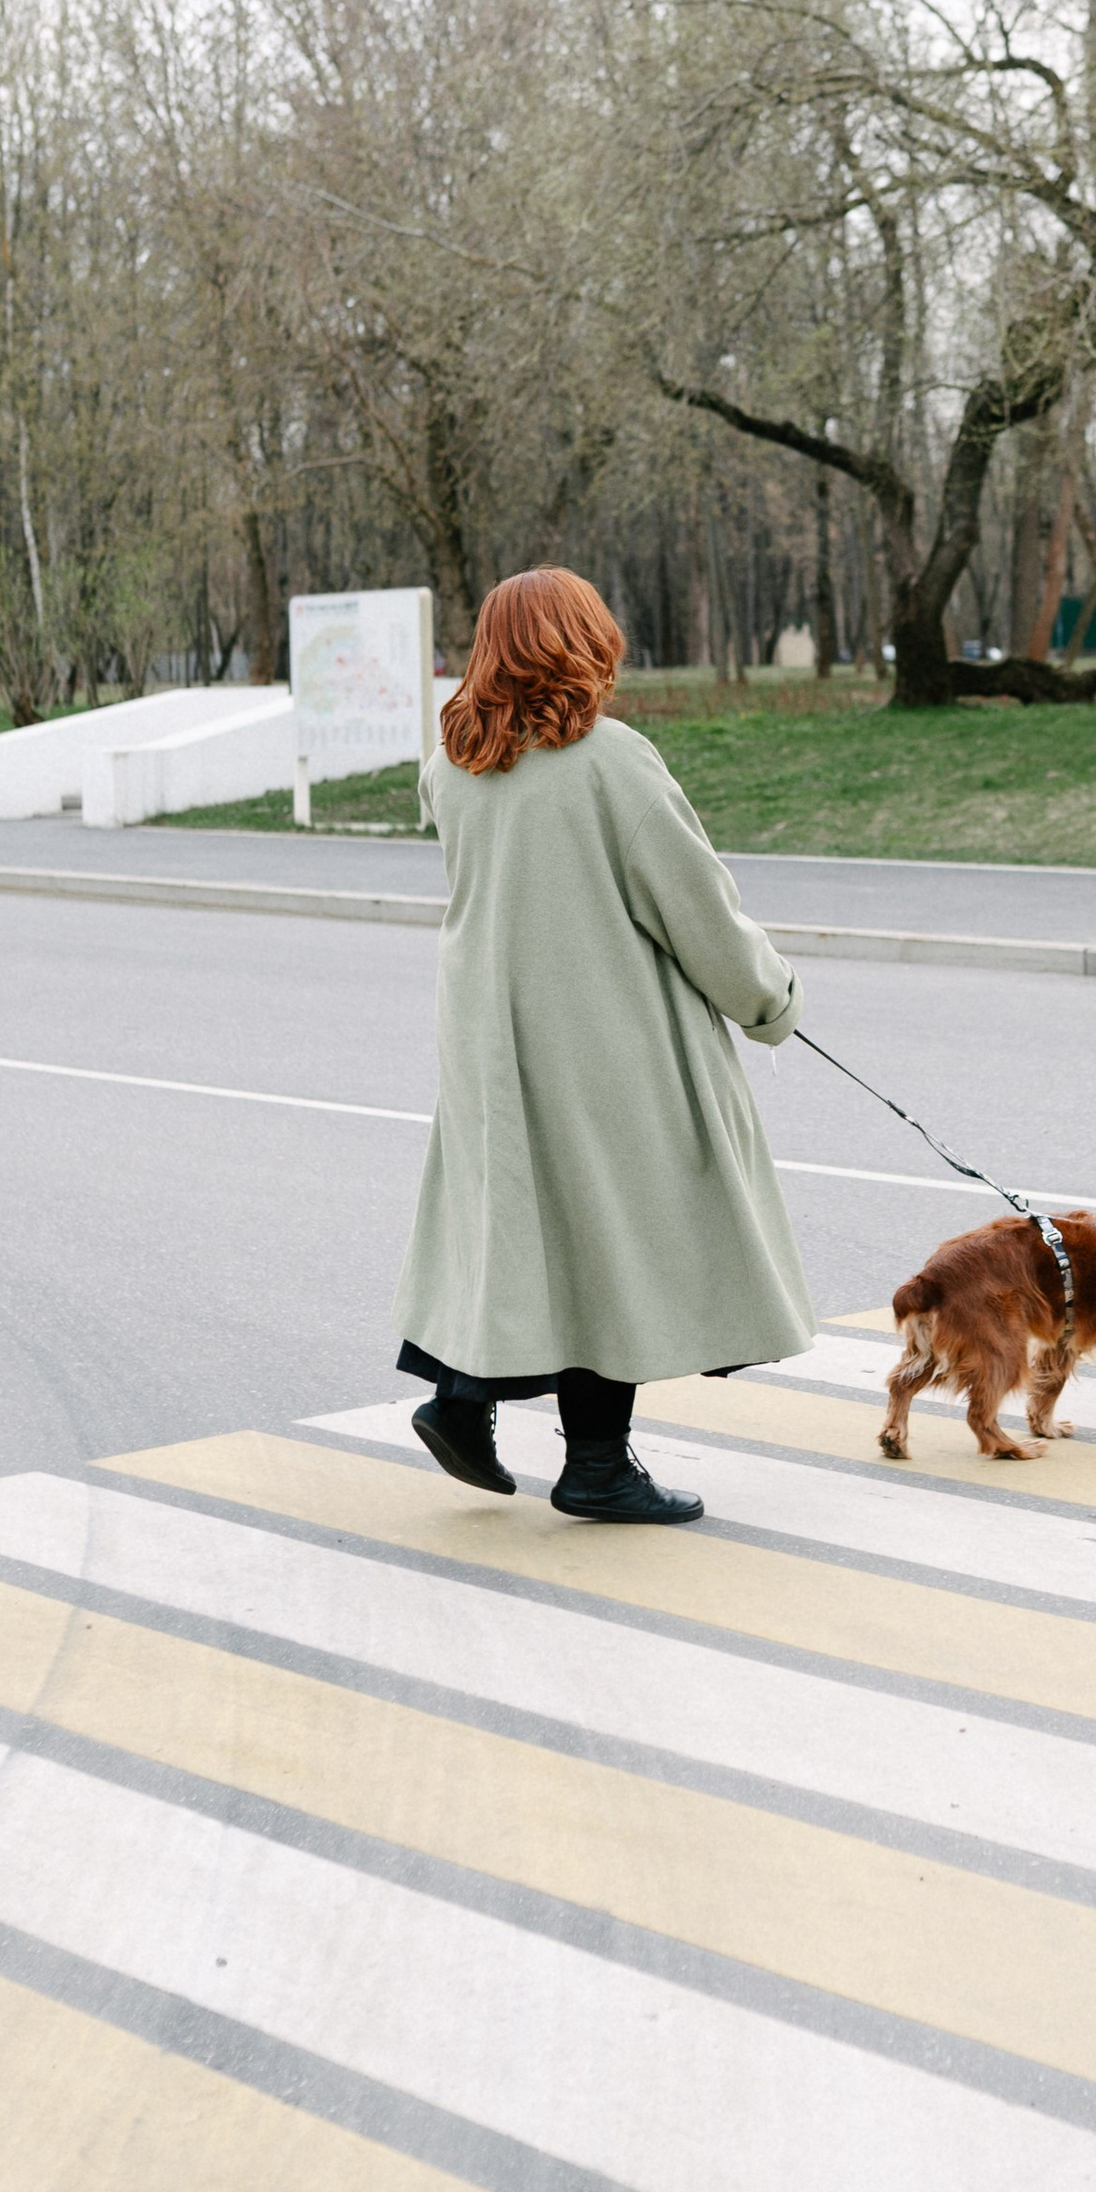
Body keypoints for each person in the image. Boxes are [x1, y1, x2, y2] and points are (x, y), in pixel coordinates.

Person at [394, 565, 814, 1525]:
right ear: (582, 643)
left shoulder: (450, 765)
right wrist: (769, 1002)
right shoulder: (612, 761)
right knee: (612, 1233)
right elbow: (698, 908)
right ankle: (596, 1465)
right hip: (601, 1040)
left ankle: (461, 1401)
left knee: (510, 1220)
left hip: (485, 1040)